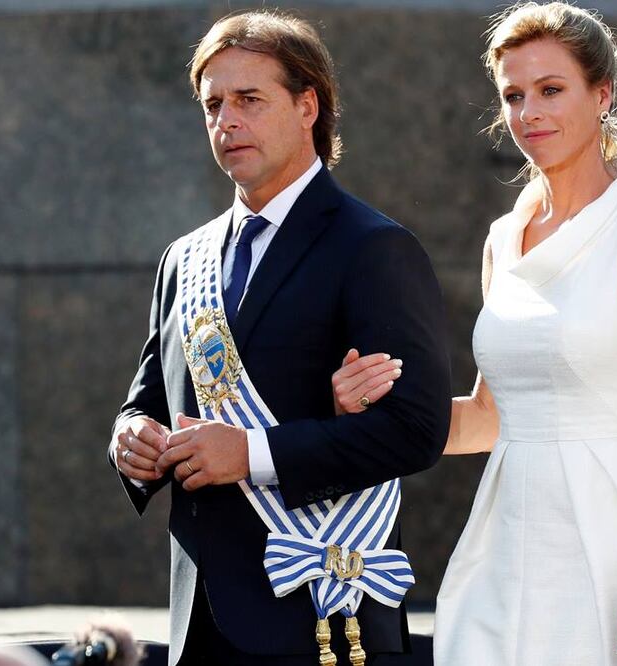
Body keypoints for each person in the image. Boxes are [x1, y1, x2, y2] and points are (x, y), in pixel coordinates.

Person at [332, 3, 617, 664]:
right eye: (513, 95)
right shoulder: (503, 240)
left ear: (601, 94)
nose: (528, 111)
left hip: (613, 541)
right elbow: (487, 418)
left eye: (550, 89)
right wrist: (373, 414)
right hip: (504, 535)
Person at [107, 9, 451, 666]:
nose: (225, 121)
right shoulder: (185, 259)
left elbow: (416, 429)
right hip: (197, 621)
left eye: (248, 100)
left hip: (317, 615)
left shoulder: (372, 247)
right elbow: (148, 398)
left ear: (306, 106)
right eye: (212, 104)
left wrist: (253, 454)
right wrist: (130, 440)